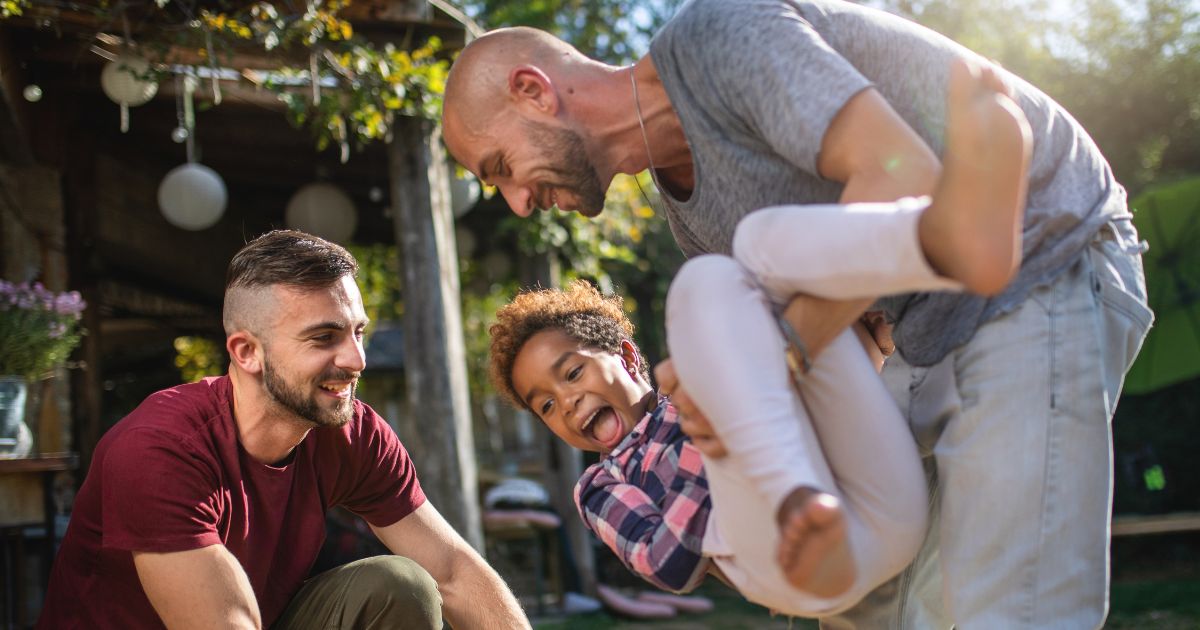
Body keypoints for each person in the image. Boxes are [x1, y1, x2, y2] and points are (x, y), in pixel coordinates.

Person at [442, 1, 1153, 626]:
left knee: (1005, 608)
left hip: (1038, 256)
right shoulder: (689, 214)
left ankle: (955, 235)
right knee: (916, 613)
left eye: (499, 166)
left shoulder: (717, 36)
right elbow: (831, 332)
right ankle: (942, 251)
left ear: (534, 91)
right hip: (923, 332)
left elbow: (902, 171)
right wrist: (743, 387)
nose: (515, 202)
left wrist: (758, 359)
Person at [488, 58, 1034, 617]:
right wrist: (714, 429)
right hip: (793, 564)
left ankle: (944, 239)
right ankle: (796, 495)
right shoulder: (601, 486)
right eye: (548, 406)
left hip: (879, 509)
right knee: (702, 283)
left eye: (572, 373)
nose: (569, 402)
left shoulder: (711, 388)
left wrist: (867, 347)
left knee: (749, 251)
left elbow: (823, 413)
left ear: (628, 356)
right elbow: (670, 564)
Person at [38, 230, 529, 629]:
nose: (356, 360)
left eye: (357, 331)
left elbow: (455, 573)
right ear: (246, 352)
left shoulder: (353, 434)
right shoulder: (160, 449)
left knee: (399, 586)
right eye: (324, 338)